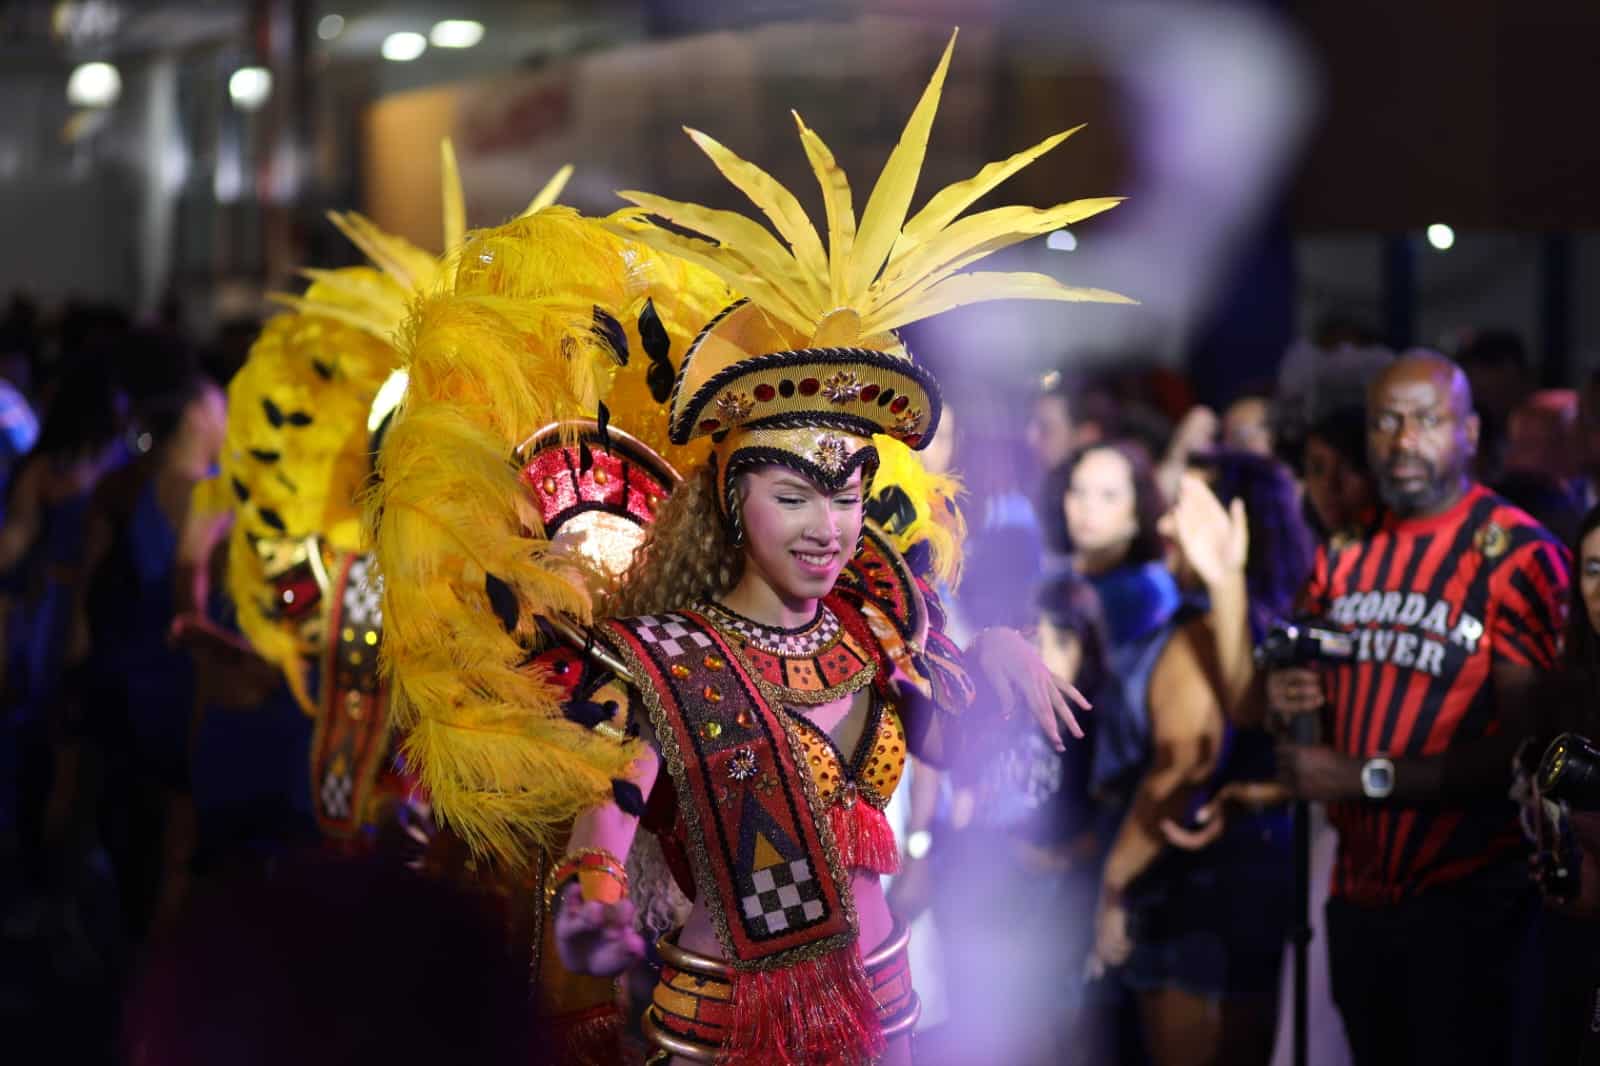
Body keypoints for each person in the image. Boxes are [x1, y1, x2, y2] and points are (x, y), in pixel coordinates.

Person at [369, 32, 1129, 1066]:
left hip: (889, 1002)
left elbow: (951, 751)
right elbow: (611, 822)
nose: (831, 524)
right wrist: (592, 912)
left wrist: (988, 653)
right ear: (729, 502)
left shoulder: (879, 623)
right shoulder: (663, 661)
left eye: (851, 488)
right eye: (793, 493)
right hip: (724, 1026)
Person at [1262, 350, 1568, 1066]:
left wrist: (1361, 776)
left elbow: (1523, 755)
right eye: (1386, 423)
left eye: (1426, 421)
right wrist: (1288, 700)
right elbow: (1297, 701)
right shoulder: (1344, 552)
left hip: (1468, 897)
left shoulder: (1518, 554)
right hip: (1358, 896)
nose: (1403, 441)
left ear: (1468, 432)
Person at [1074, 445, 1304, 1066]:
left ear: (1241, 525)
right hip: (1228, 889)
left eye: (1185, 511)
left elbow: (1182, 767)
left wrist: (1113, 888)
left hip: (1193, 897)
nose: (1167, 525)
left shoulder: (1207, 634)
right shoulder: (1245, 625)